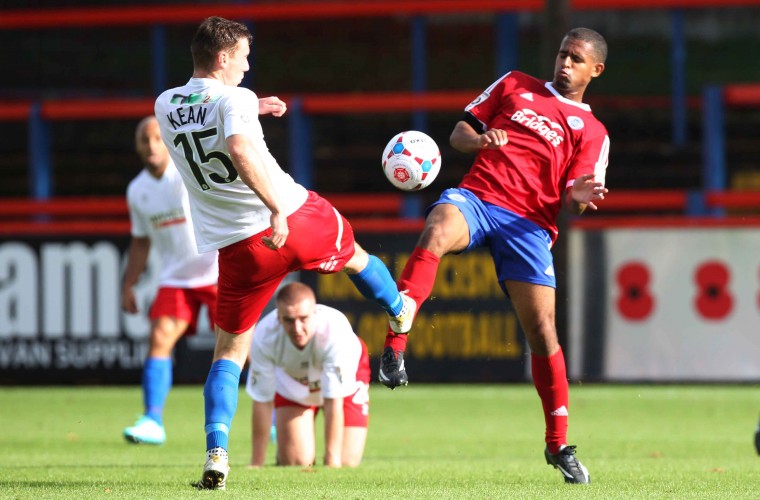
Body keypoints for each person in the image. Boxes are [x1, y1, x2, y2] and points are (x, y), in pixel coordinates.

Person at [154, 16, 413, 490]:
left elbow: (212, 109)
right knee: (355, 255)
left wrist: (252, 104)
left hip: (240, 252)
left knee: (229, 353)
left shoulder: (165, 104)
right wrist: (275, 207)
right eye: (245, 58)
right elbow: (236, 143)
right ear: (223, 57)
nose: (248, 68)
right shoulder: (234, 99)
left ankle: (216, 452)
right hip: (293, 219)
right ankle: (399, 311)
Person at [378, 27, 610, 485]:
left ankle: (558, 443)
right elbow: (460, 133)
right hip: (479, 199)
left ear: (595, 70)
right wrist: (481, 142)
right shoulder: (515, 84)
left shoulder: (594, 132)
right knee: (436, 231)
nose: (565, 64)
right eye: (562, 53)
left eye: (576, 59)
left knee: (543, 332)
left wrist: (579, 194)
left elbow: (576, 199)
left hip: (530, 225)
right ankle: (395, 348)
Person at [121, 116, 219, 445]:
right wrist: (128, 283)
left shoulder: (188, 171)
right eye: (143, 140)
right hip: (176, 277)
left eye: (156, 138)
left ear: (167, 141)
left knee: (240, 348)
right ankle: (153, 420)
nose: (150, 145)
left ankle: (275, 415)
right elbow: (141, 240)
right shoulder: (137, 190)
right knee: (160, 338)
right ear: (136, 146)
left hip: (218, 270)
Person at [246, 282, 369, 468]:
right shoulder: (264, 336)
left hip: (346, 379)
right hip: (293, 381)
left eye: (303, 318)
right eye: (288, 320)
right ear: (278, 318)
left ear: (314, 313)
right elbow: (262, 401)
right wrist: (256, 463)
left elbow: (333, 401)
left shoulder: (335, 333)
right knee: (296, 461)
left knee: (345, 462)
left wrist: (332, 462)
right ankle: (285, 452)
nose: (297, 328)